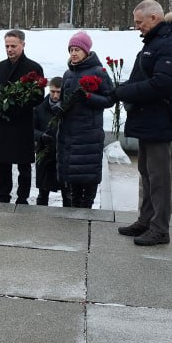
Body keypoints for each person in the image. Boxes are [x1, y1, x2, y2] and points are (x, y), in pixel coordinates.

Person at [113, 3, 172, 246]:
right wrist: (120, 90)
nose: (137, 27)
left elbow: (162, 84)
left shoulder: (171, 43)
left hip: (161, 118)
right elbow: (143, 77)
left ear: (155, 17)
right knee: (146, 172)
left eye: (139, 22)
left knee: (159, 177)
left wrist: (124, 92)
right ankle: (146, 220)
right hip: (149, 118)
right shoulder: (155, 40)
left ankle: (160, 228)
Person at [56, 31, 116, 209]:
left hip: (88, 135)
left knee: (87, 177)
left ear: (86, 51)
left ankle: (87, 214)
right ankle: (74, 215)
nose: (73, 53)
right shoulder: (68, 73)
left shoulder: (99, 72)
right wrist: (59, 107)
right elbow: (64, 99)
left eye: (77, 50)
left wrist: (89, 97)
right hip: (68, 134)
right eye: (71, 50)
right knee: (72, 181)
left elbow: (110, 99)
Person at [0, 30, 44, 204]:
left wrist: (16, 108)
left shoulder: (33, 68)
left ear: (23, 45)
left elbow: (38, 96)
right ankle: (3, 195)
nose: (10, 49)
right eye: (7, 46)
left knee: (23, 164)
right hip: (1, 123)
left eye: (13, 46)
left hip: (21, 123)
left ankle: (22, 197)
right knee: (2, 163)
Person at [33, 77, 67, 206]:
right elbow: (31, 129)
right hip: (45, 154)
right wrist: (41, 136)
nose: (55, 95)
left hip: (63, 154)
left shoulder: (68, 108)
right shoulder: (40, 108)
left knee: (67, 193)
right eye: (52, 91)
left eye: (58, 92)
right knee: (43, 192)